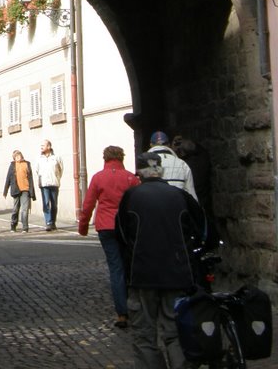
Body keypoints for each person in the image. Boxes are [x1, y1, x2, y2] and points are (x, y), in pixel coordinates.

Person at [116, 151, 207, 369]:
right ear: (161, 170)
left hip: (142, 274)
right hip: (177, 274)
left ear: (139, 172)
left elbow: (120, 235)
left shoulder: (130, 197)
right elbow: (203, 229)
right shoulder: (179, 195)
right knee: (175, 331)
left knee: (144, 334)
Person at [78, 145, 139, 328]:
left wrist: (83, 226)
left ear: (105, 158)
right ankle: (137, 306)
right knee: (130, 265)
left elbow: (88, 204)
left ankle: (122, 314)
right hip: (126, 227)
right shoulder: (131, 178)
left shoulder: (98, 178)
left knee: (116, 268)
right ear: (121, 157)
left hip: (106, 226)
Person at [148, 131, 197, 198]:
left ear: (151, 145)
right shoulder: (182, 164)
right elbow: (191, 194)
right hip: (178, 206)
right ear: (168, 144)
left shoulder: (145, 164)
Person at [3, 149, 36, 232]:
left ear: (21, 156)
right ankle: (13, 225)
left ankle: (25, 227)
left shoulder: (27, 164)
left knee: (24, 210)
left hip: (25, 189)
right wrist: (5, 191)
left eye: (19, 155)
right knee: (15, 209)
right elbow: (8, 178)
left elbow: (30, 178)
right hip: (16, 190)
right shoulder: (13, 165)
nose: (18, 157)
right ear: (14, 158)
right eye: (16, 156)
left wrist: (32, 192)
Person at [36, 139, 63, 230]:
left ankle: (53, 222)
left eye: (43, 145)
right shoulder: (39, 158)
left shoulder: (56, 157)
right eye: (41, 146)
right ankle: (48, 222)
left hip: (54, 183)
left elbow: (60, 169)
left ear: (49, 147)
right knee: (46, 203)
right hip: (44, 184)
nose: (41, 147)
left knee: (54, 204)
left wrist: (57, 178)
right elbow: (37, 170)